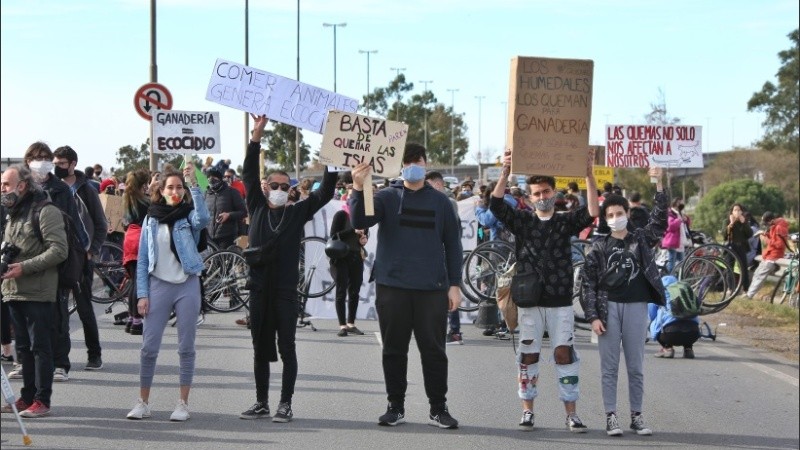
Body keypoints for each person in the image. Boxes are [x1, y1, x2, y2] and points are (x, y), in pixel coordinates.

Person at [349, 143, 463, 430]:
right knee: (393, 349)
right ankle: (395, 406)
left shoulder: (441, 202)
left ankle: (439, 408)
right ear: (399, 166)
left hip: (432, 288)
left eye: (418, 160)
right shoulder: (386, 197)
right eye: (408, 161)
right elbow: (360, 220)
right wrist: (357, 187)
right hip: (393, 285)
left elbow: (453, 244)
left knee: (434, 351)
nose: (414, 165)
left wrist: (454, 284)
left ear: (425, 164)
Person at [489, 147, 599, 432]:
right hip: (529, 302)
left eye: (546, 192)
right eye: (536, 194)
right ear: (529, 198)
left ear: (555, 193)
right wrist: (505, 171)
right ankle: (528, 410)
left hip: (560, 301)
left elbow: (592, 213)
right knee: (529, 355)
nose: (542, 197)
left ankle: (571, 413)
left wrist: (588, 175)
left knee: (564, 353)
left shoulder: (565, 221)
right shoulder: (523, 221)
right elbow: (497, 205)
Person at [239, 115, 337, 423]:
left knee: (287, 348)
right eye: (275, 185)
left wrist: (331, 156)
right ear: (267, 187)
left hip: (285, 292)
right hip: (258, 291)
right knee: (258, 347)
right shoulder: (255, 205)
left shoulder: (296, 213)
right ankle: (261, 402)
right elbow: (248, 174)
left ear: (291, 189)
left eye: (286, 185)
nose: (280, 189)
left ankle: (285, 403)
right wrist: (256, 137)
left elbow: (326, 193)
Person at [581, 167, 666, 437]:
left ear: (628, 214)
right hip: (608, 311)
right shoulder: (598, 247)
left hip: (637, 306)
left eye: (620, 213)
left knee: (636, 366)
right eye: (611, 215)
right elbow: (588, 284)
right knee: (609, 368)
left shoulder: (640, 239)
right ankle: (611, 416)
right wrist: (593, 316)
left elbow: (660, 221)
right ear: (605, 219)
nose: (616, 218)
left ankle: (637, 416)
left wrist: (659, 183)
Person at [126, 167, 209, 422]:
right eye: (170, 187)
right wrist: (142, 294)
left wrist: (194, 185)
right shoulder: (150, 220)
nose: (175, 191)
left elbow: (203, 219)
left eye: (179, 187)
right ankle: (143, 402)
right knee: (149, 348)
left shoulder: (189, 217)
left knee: (186, 347)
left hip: (187, 284)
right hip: (157, 286)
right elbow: (142, 261)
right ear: (160, 191)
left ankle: (183, 404)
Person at [0, 164, 67, 418]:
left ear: (22, 185)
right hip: (13, 290)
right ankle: (26, 397)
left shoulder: (45, 210)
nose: (2, 188)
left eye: (6, 183)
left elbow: (59, 250)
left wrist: (24, 268)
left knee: (41, 347)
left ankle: (42, 400)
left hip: (38, 291)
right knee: (24, 349)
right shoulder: (12, 212)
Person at [23, 142, 87, 383]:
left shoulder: (60, 190)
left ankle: (61, 363)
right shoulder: (23, 188)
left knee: (58, 315)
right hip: (28, 261)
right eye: (35, 157)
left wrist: (82, 256)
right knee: (27, 316)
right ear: (27, 160)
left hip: (56, 260)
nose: (39, 161)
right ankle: (28, 363)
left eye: (44, 157)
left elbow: (75, 226)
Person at [53, 145, 106, 370]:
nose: (57, 168)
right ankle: (61, 361)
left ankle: (94, 355)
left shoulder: (87, 190)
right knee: (59, 311)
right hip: (58, 257)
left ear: (73, 164)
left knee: (85, 309)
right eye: (55, 164)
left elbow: (101, 224)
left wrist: (91, 250)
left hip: (82, 258)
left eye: (62, 164)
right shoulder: (53, 189)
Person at [425, 171, 464, 345]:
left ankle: (454, 331)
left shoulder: (448, 203)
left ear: (438, 185)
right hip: (434, 256)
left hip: (444, 254)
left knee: (448, 290)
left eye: (428, 185)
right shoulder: (432, 202)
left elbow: (452, 234)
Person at [121, 169, 158, 336]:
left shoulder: (127, 199)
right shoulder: (146, 202)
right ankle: (137, 320)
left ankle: (130, 317)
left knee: (132, 281)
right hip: (140, 239)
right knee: (139, 281)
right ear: (144, 185)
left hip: (129, 238)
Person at [329, 187, 368, 337]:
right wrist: (352, 231)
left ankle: (351, 323)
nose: (354, 201)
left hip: (356, 256)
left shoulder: (363, 218)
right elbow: (333, 235)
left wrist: (364, 240)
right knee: (341, 290)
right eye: (352, 197)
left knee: (355, 291)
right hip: (340, 257)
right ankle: (342, 325)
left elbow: (364, 237)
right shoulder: (341, 215)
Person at [649, 275, 701, 359]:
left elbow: (652, 314)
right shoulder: (685, 290)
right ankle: (688, 349)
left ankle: (667, 348)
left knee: (654, 325)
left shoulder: (660, 292)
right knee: (687, 321)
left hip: (669, 334)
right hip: (693, 333)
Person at [746, 211, 789, 299]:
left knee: (761, 275)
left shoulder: (779, 227)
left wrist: (766, 240)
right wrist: (766, 234)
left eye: (766, 223)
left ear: (771, 220)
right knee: (757, 273)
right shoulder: (774, 226)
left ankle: (749, 295)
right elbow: (774, 238)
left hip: (774, 255)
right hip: (769, 254)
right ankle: (749, 293)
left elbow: (780, 244)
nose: (766, 225)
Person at [205, 168, 247, 251]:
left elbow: (243, 212)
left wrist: (229, 215)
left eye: (214, 177)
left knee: (225, 263)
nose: (211, 180)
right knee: (211, 263)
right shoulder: (206, 194)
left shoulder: (232, 192)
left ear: (220, 179)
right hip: (209, 239)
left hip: (227, 237)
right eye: (209, 177)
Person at [723, 203, 754, 292]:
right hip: (730, 246)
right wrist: (731, 224)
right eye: (735, 210)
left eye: (739, 210)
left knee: (743, 267)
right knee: (729, 267)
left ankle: (745, 289)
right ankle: (730, 288)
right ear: (732, 212)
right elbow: (724, 235)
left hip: (741, 246)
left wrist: (744, 223)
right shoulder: (727, 221)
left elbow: (750, 234)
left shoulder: (744, 221)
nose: (737, 212)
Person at [661, 198, 688, 274]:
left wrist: (685, 219)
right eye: (678, 203)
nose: (679, 205)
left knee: (682, 263)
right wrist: (679, 220)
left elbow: (686, 225)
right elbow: (671, 226)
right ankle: (670, 278)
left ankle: (679, 278)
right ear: (674, 204)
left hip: (679, 243)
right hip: (672, 242)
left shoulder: (679, 213)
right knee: (672, 263)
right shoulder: (670, 213)